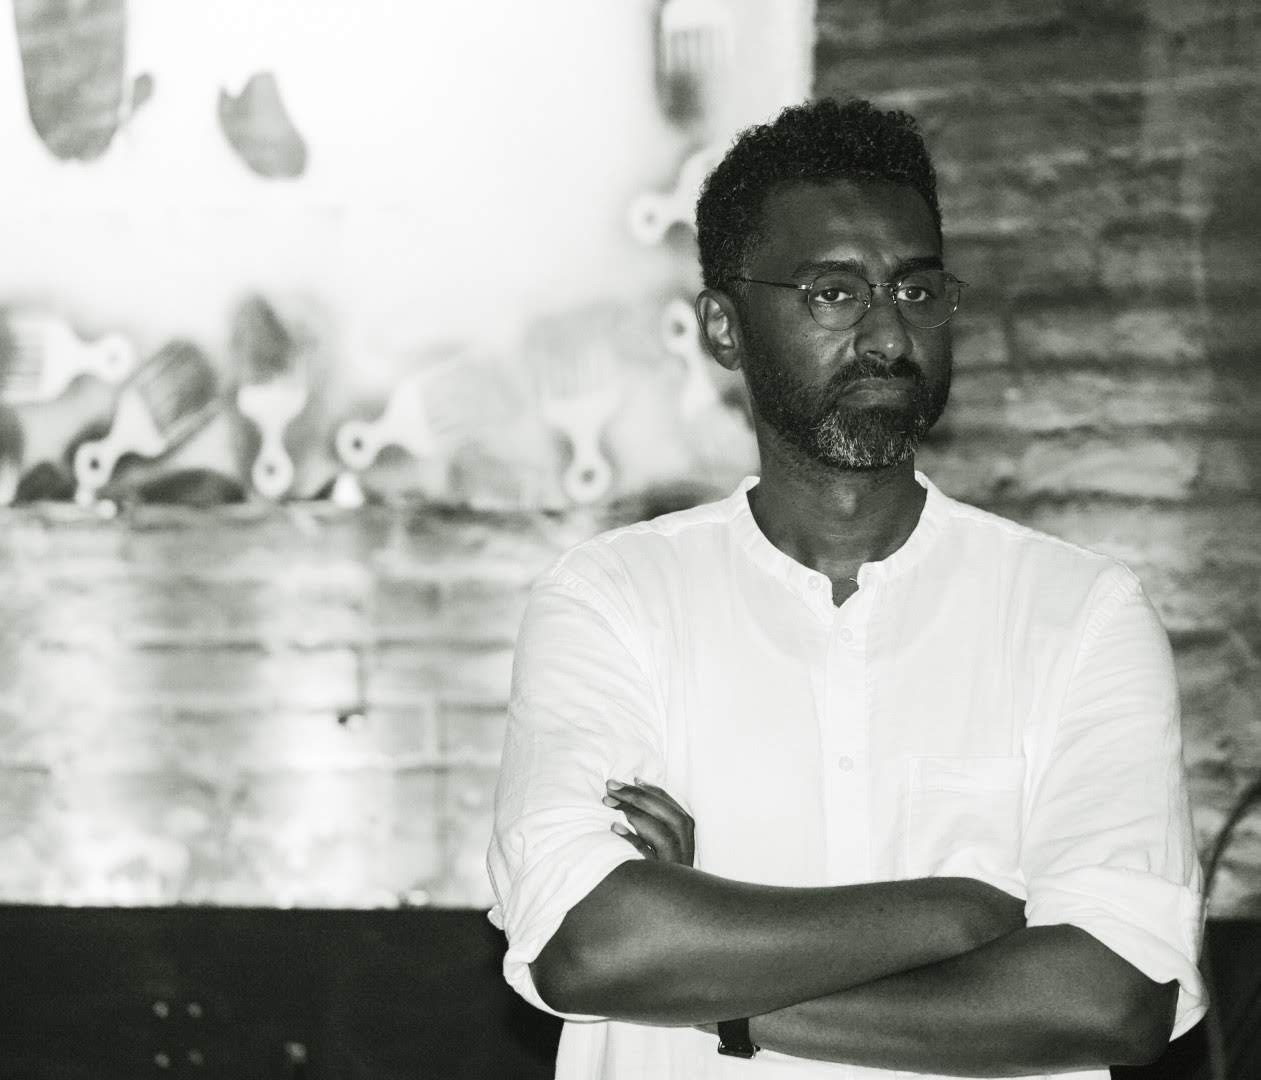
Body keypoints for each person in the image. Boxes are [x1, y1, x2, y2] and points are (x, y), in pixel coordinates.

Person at [487, 98, 1205, 1079]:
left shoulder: (1077, 613)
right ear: (723, 327)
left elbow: (1108, 998)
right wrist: (961, 912)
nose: (888, 336)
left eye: (916, 291)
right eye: (833, 293)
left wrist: (714, 985)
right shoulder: (610, 600)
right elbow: (593, 947)